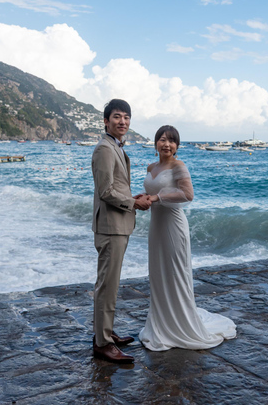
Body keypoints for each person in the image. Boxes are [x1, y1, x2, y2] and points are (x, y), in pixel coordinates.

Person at [139, 125, 236, 351]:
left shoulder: (179, 166)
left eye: (171, 141)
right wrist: (144, 198)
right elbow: (153, 192)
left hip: (173, 224)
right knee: (158, 272)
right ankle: (161, 324)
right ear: (155, 144)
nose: (166, 144)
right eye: (162, 139)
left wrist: (155, 197)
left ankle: (181, 324)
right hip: (156, 225)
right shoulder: (151, 166)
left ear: (177, 146)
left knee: (175, 272)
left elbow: (187, 194)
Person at [91, 99, 151, 364]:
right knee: (107, 285)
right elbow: (105, 192)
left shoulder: (115, 146)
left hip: (118, 225)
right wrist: (133, 203)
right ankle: (102, 343)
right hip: (111, 227)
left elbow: (115, 186)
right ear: (106, 121)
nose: (123, 122)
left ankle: (105, 333)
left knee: (111, 284)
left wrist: (130, 196)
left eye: (126, 117)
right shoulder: (105, 148)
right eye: (117, 117)